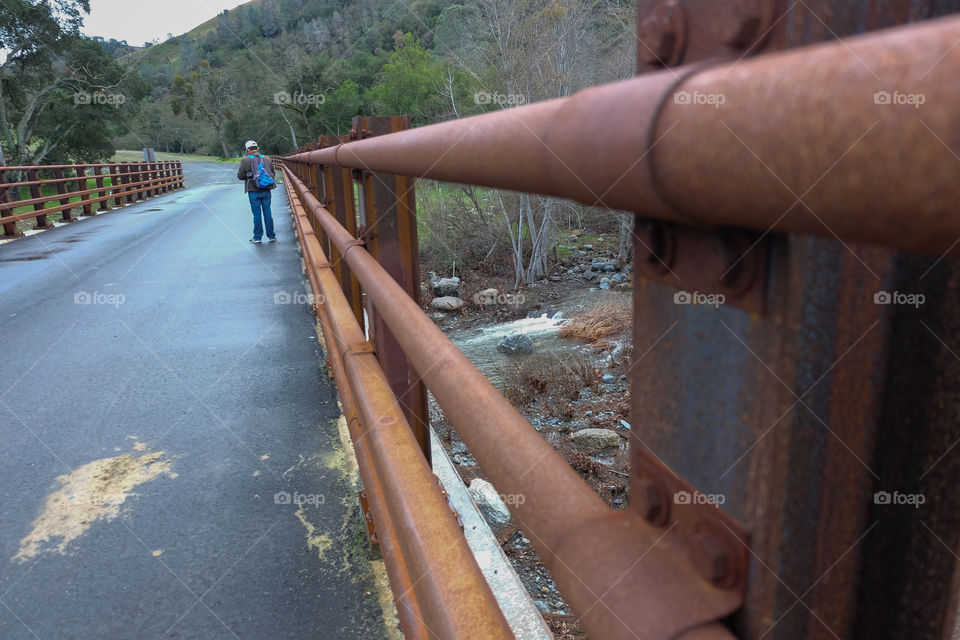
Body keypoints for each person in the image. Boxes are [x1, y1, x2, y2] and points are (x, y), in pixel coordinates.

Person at [237, 140, 277, 243]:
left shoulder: (246, 160)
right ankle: (271, 236)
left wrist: (248, 175)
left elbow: (240, 176)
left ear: (248, 150)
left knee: (257, 214)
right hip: (266, 190)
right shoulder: (267, 159)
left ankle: (258, 237)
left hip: (253, 190)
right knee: (268, 213)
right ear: (257, 148)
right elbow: (272, 173)